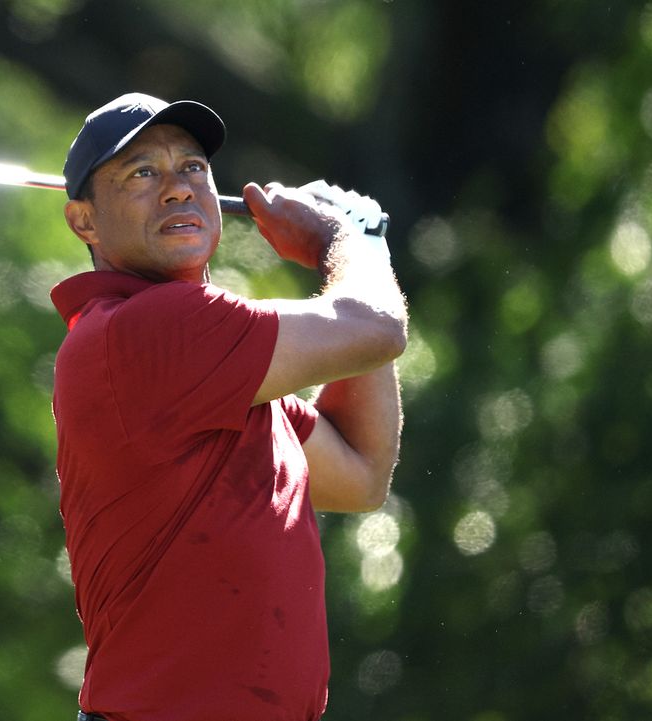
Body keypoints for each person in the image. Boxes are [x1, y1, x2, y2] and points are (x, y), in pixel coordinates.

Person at [50, 92, 408, 721]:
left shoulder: (223, 370)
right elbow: (375, 328)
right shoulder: (144, 332)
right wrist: (351, 244)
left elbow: (360, 471)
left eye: (192, 168)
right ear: (85, 222)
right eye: (141, 173)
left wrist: (351, 250)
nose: (177, 189)